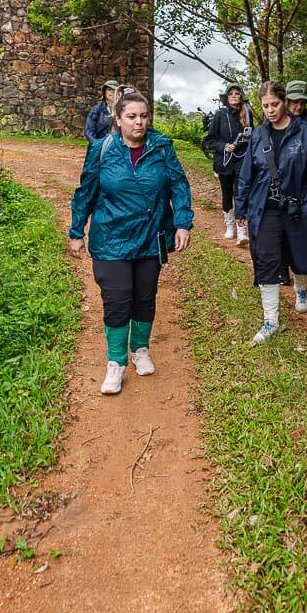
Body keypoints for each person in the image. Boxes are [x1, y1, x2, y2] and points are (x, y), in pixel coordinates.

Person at [68, 90, 194, 395]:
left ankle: (140, 349)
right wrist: (76, 231)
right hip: (111, 237)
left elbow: (179, 184)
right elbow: (85, 192)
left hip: (152, 236)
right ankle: (115, 363)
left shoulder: (162, 147)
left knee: (144, 296)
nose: (139, 122)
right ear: (118, 119)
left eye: (144, 116)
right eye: (132, 116)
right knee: (117, 298)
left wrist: (182, 222)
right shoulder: (102, 149)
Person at [234, 80, 307, 342]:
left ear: (284, 103)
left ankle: (301, 287)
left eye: (275, 104)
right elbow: (246, 175)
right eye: (265, 106)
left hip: (299, 204)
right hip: (265, 208)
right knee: (266, 259)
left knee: (300, 253)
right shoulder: (257, 136)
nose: (270, 110)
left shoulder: (305, 132)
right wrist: (240, 207)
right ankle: (270, 320)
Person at [202, 83, 257, 245]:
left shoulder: (247, 114)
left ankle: (241, 230)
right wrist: (225, 146)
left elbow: (252, 136)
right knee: (227, 194)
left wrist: (244, 146)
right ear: (227, 98)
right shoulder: (220, 115)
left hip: (242, 160)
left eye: (237, 93)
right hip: (224, 162)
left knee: (241, 194)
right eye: (231, 93)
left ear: (241, 96)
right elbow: (210, 139)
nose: (234, 96)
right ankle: (230, 225)